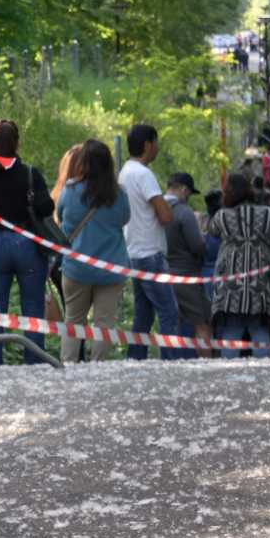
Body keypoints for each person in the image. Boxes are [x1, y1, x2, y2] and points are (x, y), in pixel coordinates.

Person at [0, 120, 53, 365]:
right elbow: (47, 207)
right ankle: (34, 361)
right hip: (27, 244)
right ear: (17, 143)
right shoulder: (30, 173)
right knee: (33, 306)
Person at [56, 140, 130, 363]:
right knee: (104, 323)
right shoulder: (119, 194)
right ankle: (98, 369)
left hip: (76, 268)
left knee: (73, 321)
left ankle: (68, 366)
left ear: (84, 163)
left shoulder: (69, 190)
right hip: (111, 268)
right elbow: (125, 219)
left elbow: (59, 215)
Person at [118, 124, 186, 360]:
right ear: (148, 145)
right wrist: (167, 204)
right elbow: (165, 216)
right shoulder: (144, 174)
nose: (157, 148)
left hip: (133, 251)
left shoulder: (124, 172)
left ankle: (135, 359)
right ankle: (170, 362)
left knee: (143, 314)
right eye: (155, 143)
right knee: (168, 311)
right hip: (151, 254)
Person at [207, 172, 270, 357]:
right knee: (259, 328)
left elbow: (212, 231)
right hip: (260, 280)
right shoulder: (267, 213)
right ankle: (262, 371)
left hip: (230, 282)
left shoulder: (222, 216)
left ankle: (229, 371)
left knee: (231, 330)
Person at [163, 172, 213, 356]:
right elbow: (197, 246)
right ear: (183, 189)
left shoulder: (155, 207)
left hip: (162, 274)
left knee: (171, 323)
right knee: (202, 323)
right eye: (189, 193)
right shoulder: (184, 212)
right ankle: (208, 367)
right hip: (187, 276)